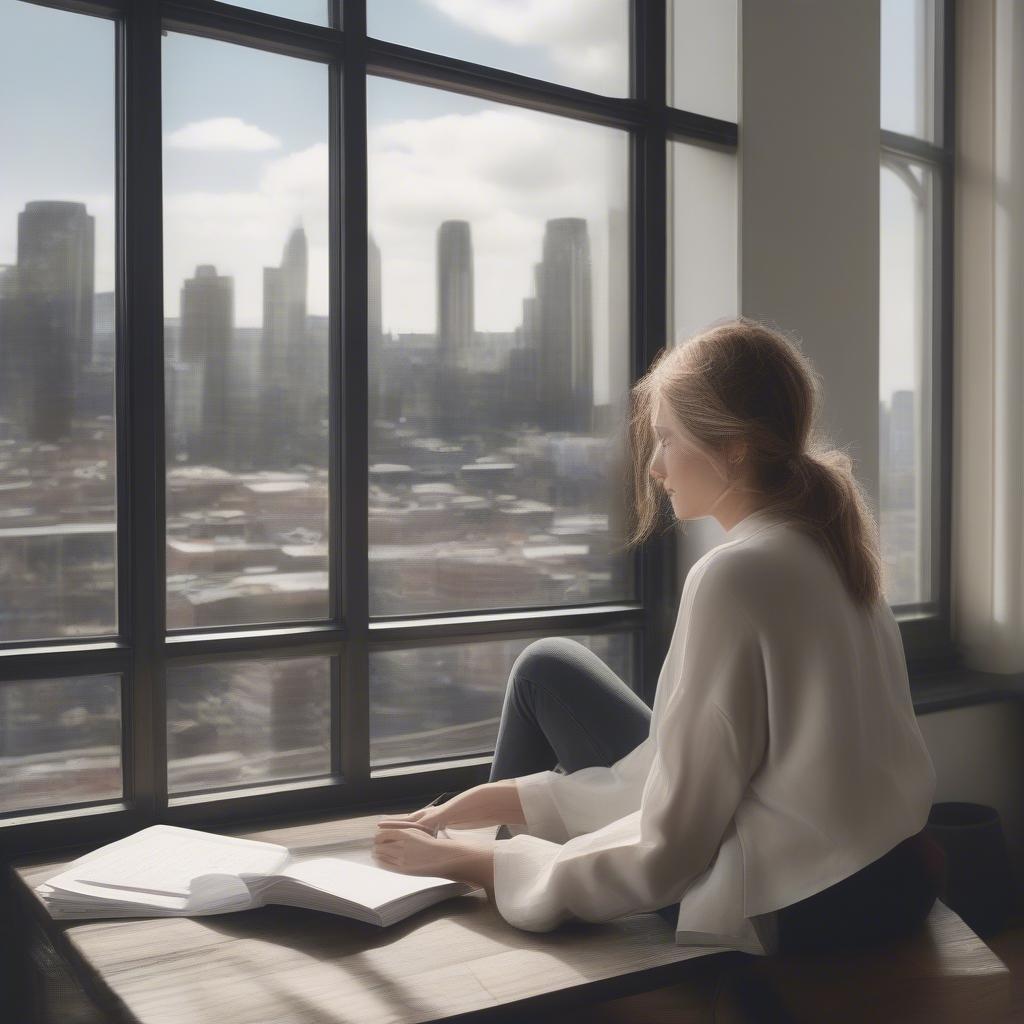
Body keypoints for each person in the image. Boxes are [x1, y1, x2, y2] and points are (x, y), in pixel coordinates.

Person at [372, 316, 947, 955]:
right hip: (890, 873)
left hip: (805, 901)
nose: (653, 467)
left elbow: (670, 848)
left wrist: (482, 866)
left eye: (667, 440)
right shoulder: (829, 543)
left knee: (544, 678)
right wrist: (483, 803)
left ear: (733, 447)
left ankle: (489, 902)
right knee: (549, 668)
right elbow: (673, 767)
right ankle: (494, 860)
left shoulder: (736, 574)